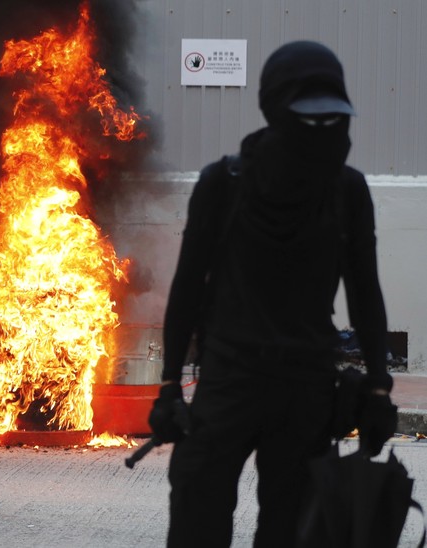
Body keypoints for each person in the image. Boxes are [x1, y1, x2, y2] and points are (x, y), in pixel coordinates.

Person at [148, 41, 398, 548]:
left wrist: (378, 388)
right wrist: (170, 384)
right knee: (198, 520)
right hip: (229, 382)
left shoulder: (347, 191)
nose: (322, 133)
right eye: (308, 118)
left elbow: (366, 293)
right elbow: (188, 289)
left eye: (333, 120)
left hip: (305, 390)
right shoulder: (223, 184)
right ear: (272, 109)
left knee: (291, 533)